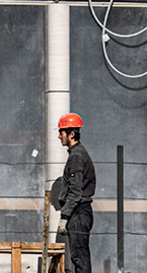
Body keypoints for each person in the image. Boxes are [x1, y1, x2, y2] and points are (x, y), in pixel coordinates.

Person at [56, 113, 95, 273]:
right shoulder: (77, 154)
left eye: (62, 132)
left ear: (71, 134)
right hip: (80, 212)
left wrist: (65, 216)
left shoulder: (77, 156)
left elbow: (75, 191)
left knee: (80, 257)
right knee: (79, 256)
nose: (59, 136)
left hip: (78, 213)